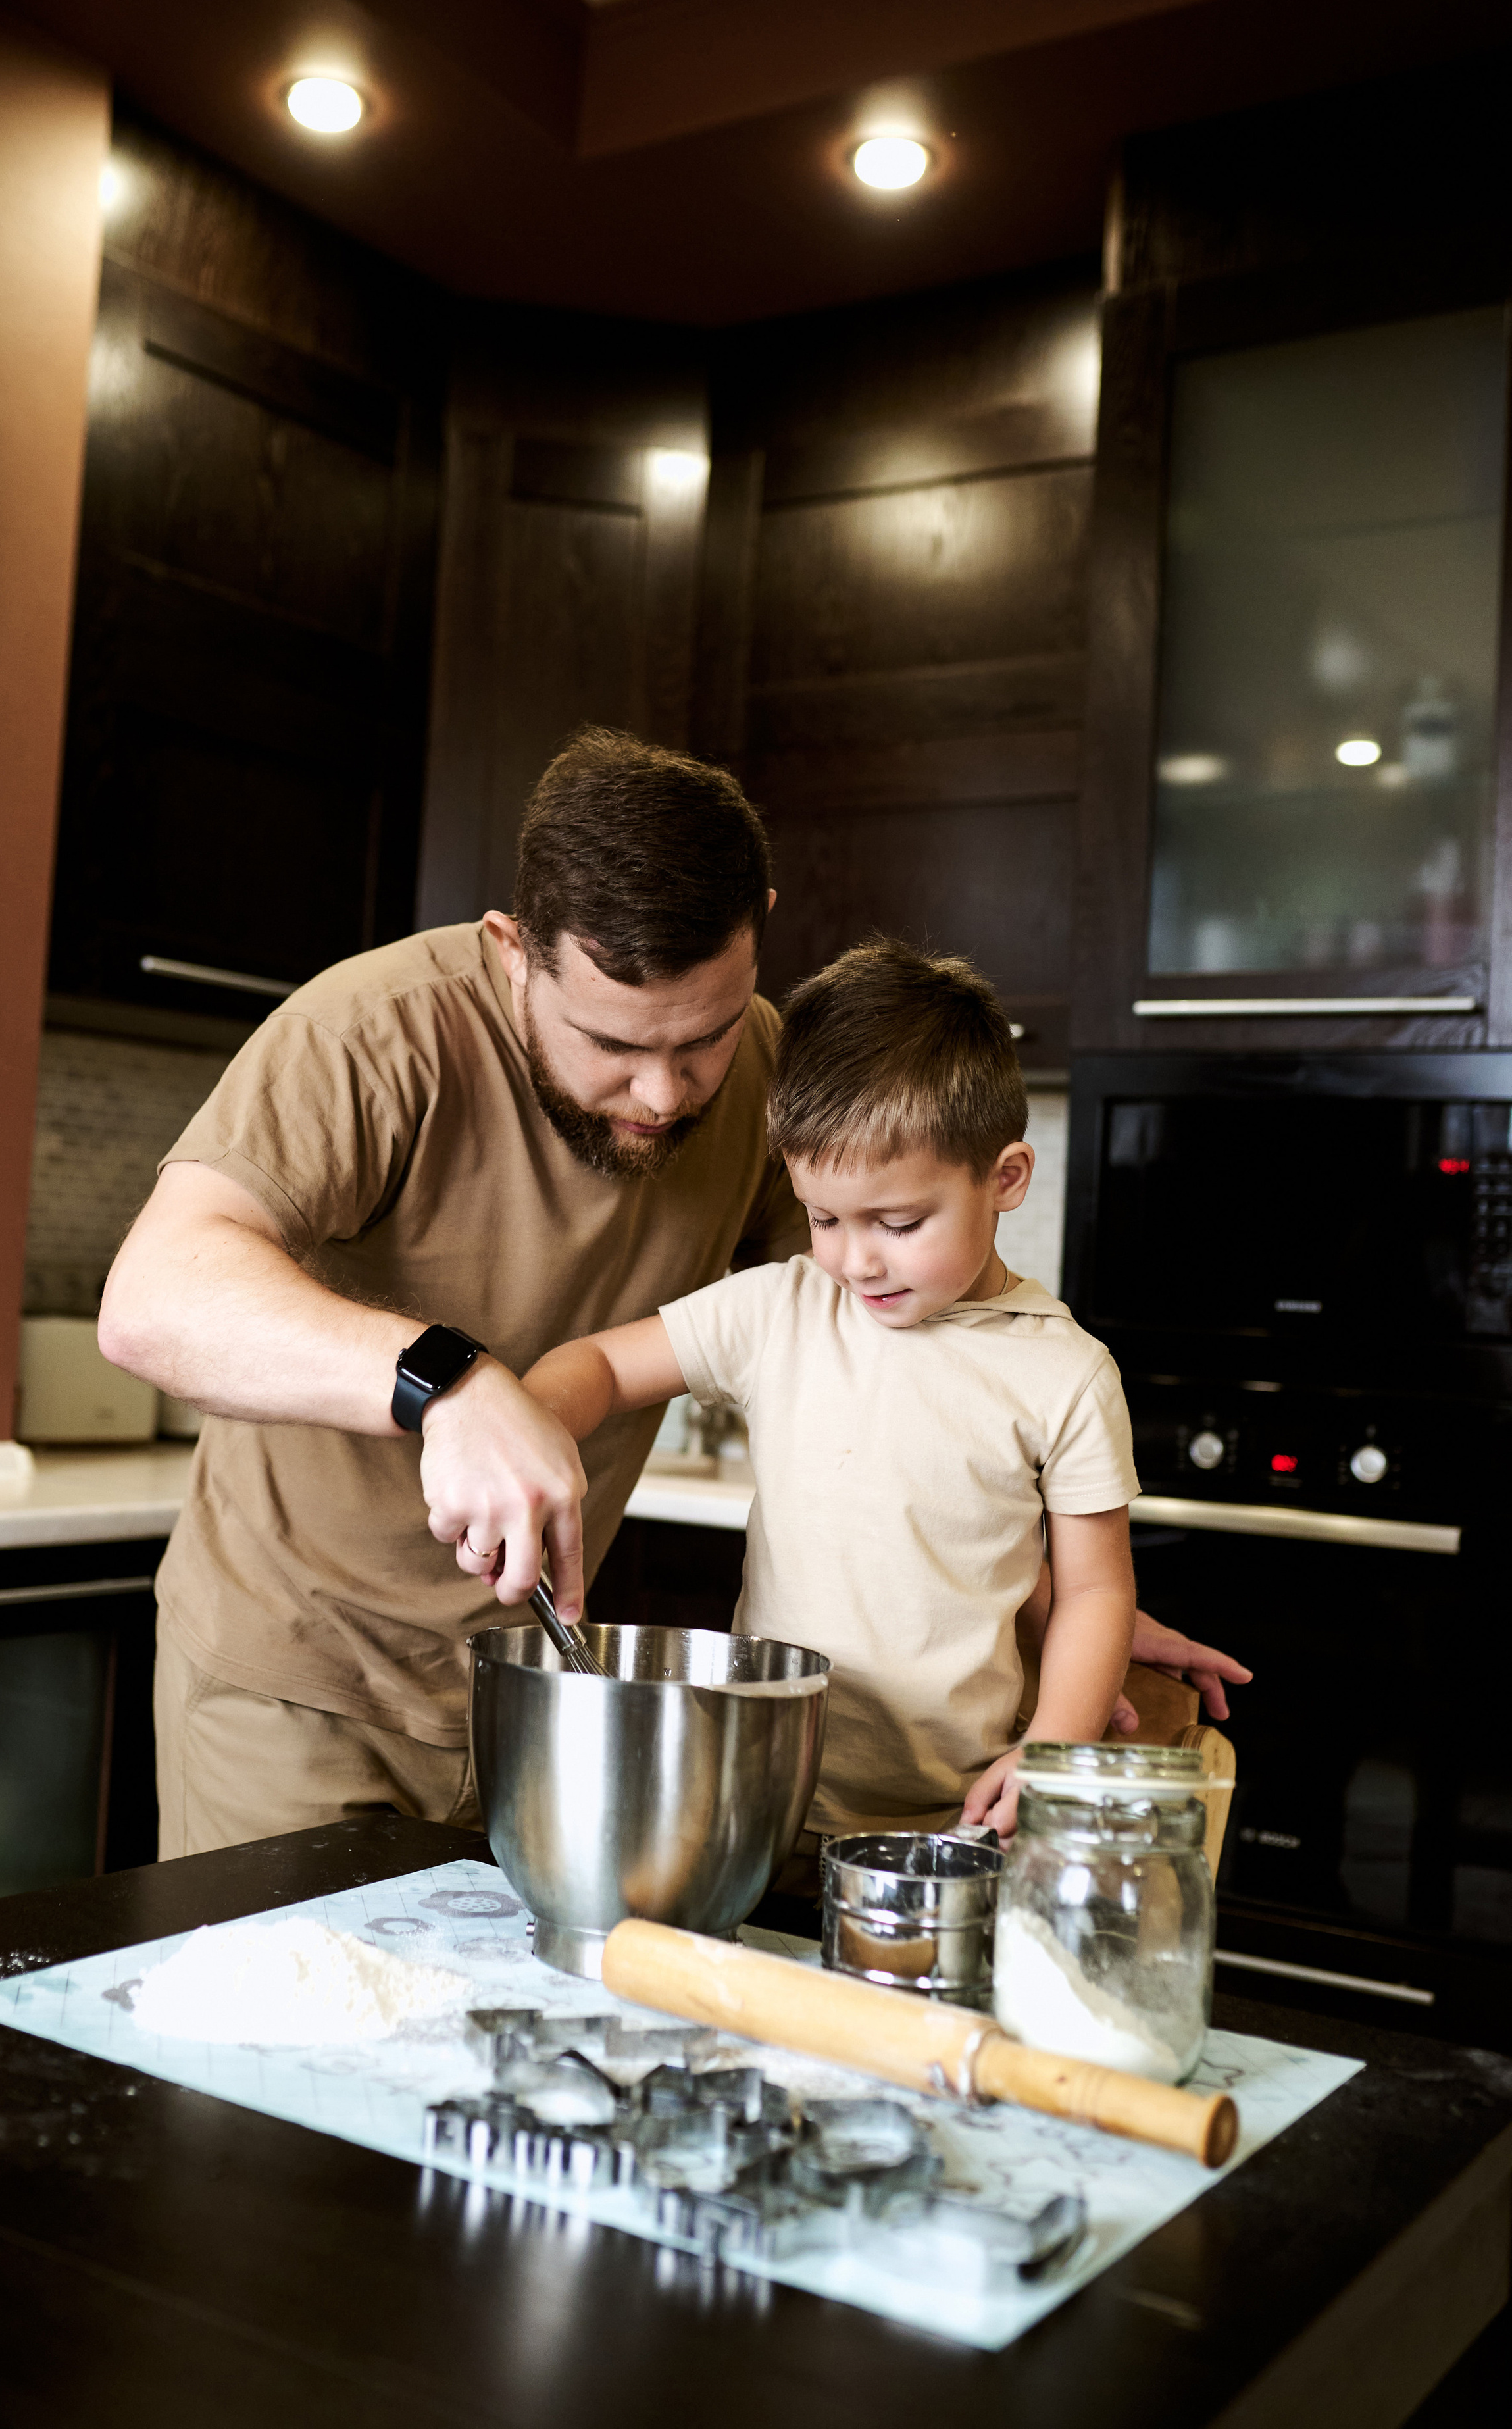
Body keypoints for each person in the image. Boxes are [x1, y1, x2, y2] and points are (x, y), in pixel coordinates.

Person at [101, 735, 1246, 1857]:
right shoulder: (372, 1034)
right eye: (611, 1043)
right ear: (514, 951)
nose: (662, 1091)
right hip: (306, 1680)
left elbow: (912, 1355)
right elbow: (154, 1297)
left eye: (699, 1038)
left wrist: (1038, 1597)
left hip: (551, 1692)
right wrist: (446, 1383)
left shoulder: (766, 1075)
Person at [522, 940, 1156, 1845]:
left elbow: (1096, 1594)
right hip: (764, 1797)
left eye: (899, 1223)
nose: (856, 1258)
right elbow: (602, 1366)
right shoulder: (786, 1307)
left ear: (1005, 1179)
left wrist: (1055, 1747)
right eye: (825, 1218)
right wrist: (526, 1431)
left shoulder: (1065, 1375)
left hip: (959, 1824)